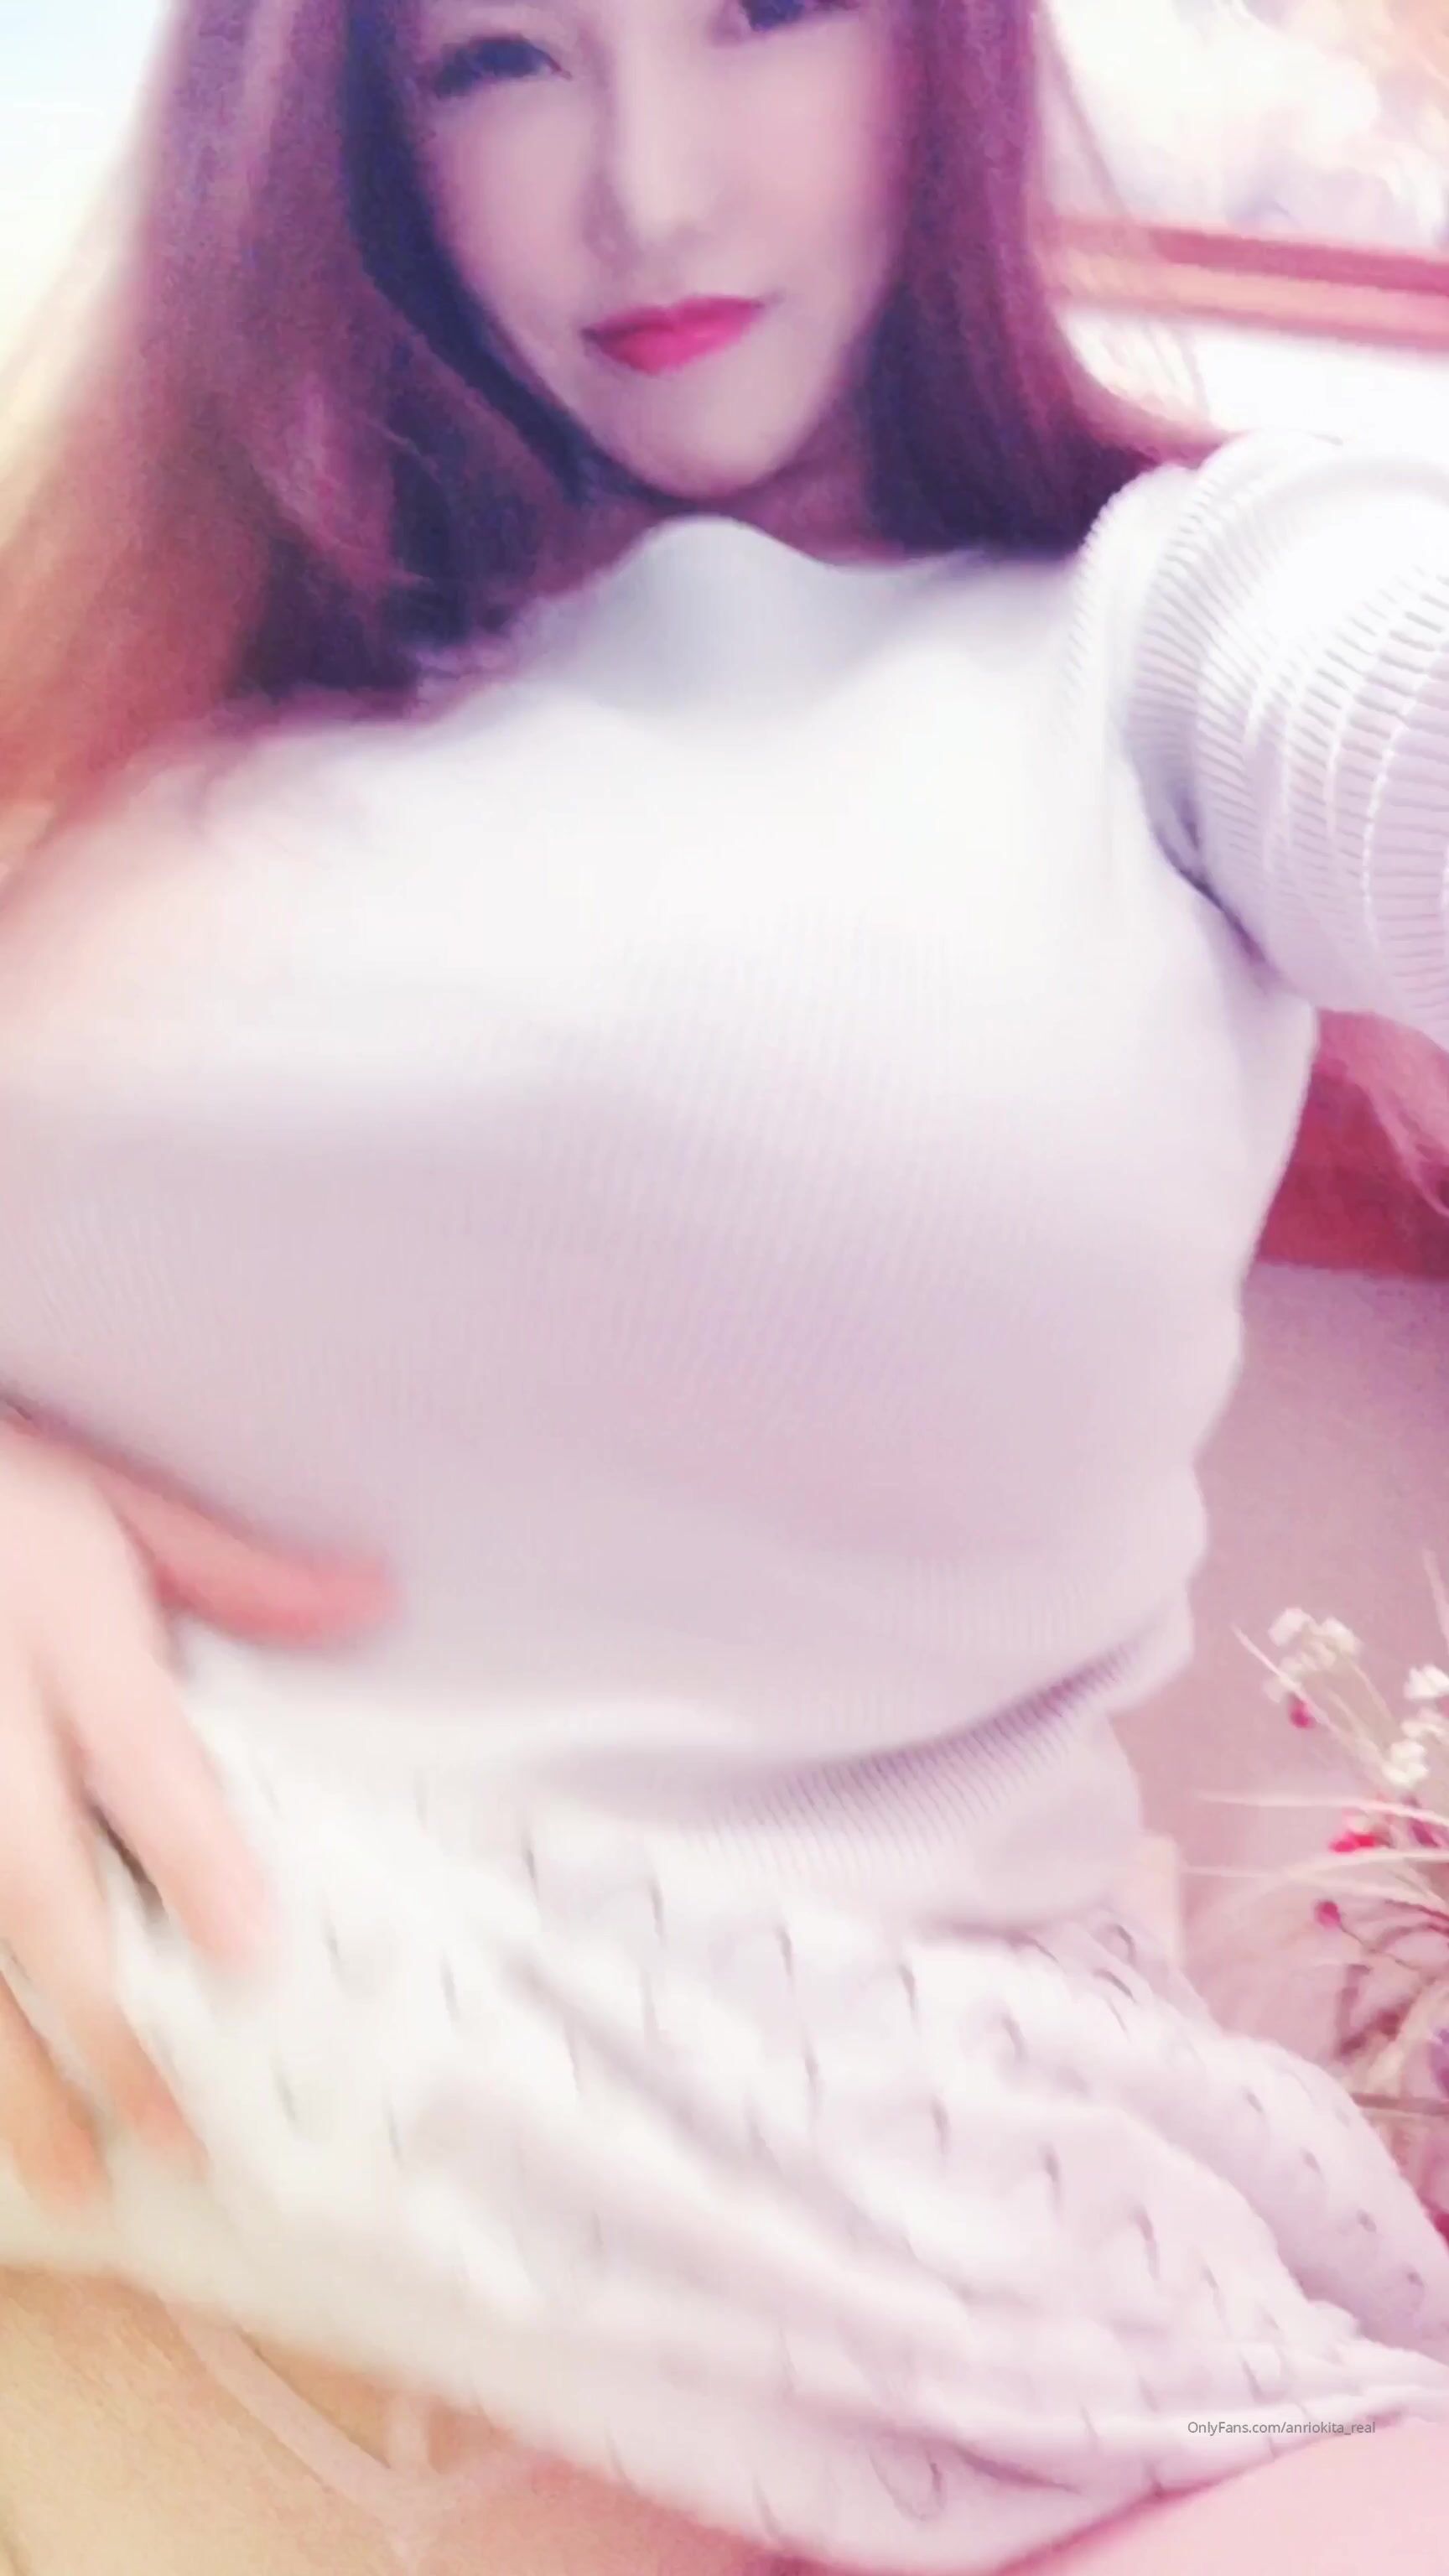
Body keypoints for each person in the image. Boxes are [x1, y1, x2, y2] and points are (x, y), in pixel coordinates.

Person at [1, 0, 1449, 2566]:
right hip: (94, 2269)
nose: (651, 191)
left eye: (764, 11)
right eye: (500, 61)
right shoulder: (106, 653)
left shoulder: (1165, 626)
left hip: (933, 2299)